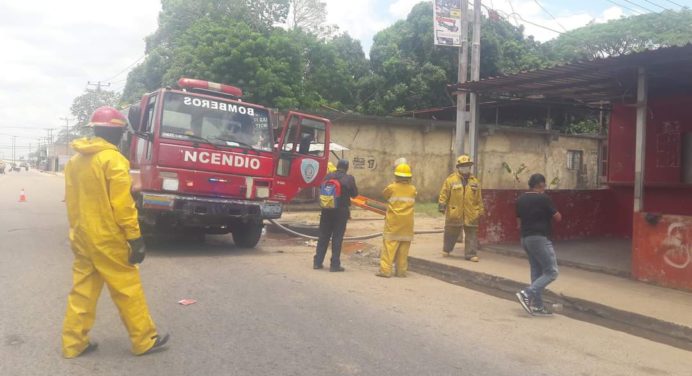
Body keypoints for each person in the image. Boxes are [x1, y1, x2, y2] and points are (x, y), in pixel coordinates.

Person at [62, 106, 169, 358]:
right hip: (108, 239)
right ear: (119, 133)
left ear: (95, 130)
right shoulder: (114, 161)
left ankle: (73, 344)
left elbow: (71, 201)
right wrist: (135, 237)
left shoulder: (75, 162)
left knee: (82, 292)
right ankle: (144, 340)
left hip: (82, 236)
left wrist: (77, 232)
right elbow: (122, 206)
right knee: (127, 288)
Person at [515, 173, 562, 316]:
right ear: (541, 185)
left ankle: (538, 305)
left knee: (536, 271)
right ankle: (527, 293)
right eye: (544, 186)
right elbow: (558, 217)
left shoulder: (521, 199)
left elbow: (518, 222)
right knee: (552, 272)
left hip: (525, 238)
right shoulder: (544, 198)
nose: (545, 189)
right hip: (540, 238)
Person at [314, 159, 358, 272]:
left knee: (323, 236)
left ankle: (317, 263)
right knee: (337, 238)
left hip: (326, 210)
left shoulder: (328, 176)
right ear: (346, 167)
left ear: (337, 166)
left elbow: (320, 188)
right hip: (341, 212)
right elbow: (354, 195)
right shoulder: (349, 179)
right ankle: (334, 265)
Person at [438, 155, 484, 262]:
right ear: (458, 167)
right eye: (462, 166)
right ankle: (447, 249)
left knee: (471, 233)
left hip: (471, 212)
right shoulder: (450, 180)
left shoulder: (475, 182)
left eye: (467, 166)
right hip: (455, 211)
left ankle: (471, 254)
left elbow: (479, 198)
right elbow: (444, 194)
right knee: (451, 231)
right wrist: (442, 205)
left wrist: (481, 210)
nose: (465, 168)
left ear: (470, 167)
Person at [377, 163, 417, 278]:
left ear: (396, 176)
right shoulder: (413, 189)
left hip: (394, 222)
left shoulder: (392, 187)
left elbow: (385, 194)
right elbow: (414, 194)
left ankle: (385, 271)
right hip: (407, 224)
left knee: (389, 247)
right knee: (403, 249)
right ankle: (401, 272)